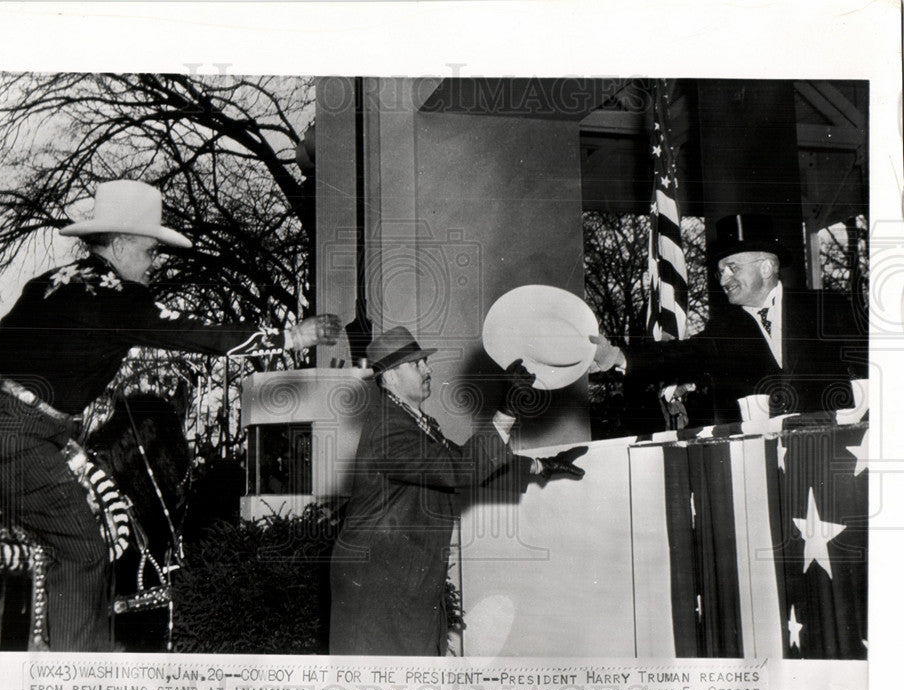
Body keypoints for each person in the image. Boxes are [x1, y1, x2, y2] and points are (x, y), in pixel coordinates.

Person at [0, 179, 340, 651]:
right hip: (19, 435)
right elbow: (200, 334)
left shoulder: (49, 284)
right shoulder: (119, 297)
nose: (154, 263)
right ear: (119, 245)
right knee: (82, 551)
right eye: (148, 251)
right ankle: (77, 685)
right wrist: (290, 336)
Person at [328, 326, 587, 656]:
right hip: (380, 583)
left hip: (401, 576)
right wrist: (506, 410)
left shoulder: (413, 421)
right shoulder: (388, 432)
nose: (428, 369)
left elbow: (463, 463)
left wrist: (542, 466)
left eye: (425, 362)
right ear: (390, 377)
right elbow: (461, 469)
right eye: (416, 364)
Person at [590, 214, 865, 424]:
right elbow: (681, 355)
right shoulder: (725, 330)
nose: (723, 279)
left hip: (840, 451)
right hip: (768, 461)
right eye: (720, 272)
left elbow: (872, 367)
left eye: (732, 268)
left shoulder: (827, 308)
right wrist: (618, 356)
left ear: (767, 267)